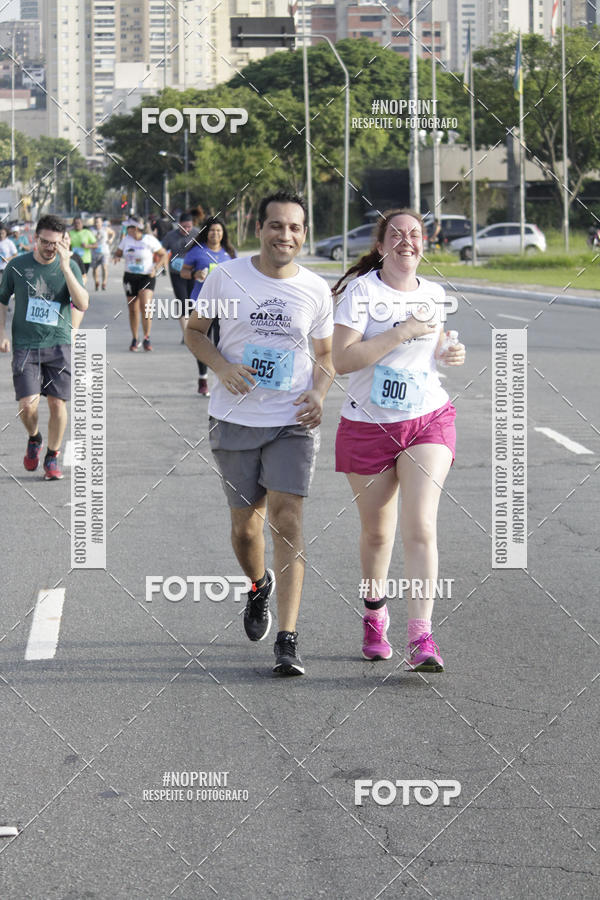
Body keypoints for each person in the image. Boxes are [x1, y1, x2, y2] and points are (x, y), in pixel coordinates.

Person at [185, 190, 334, 676]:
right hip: (234, 418)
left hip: (291, 421)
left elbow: (326, 357)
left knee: (287, 519)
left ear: (303, 234)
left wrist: (319, 393)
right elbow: (194, 331)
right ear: (260, 228)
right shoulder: (226, 277)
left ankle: (288, 639)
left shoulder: (315, 289)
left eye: (294, 227)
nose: (284, 235)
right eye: (276, 226)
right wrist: (223, 366)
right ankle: (258, 584)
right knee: (245, 527)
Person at [331, 209, 466, 672]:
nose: (407, 241)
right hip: (368, 426)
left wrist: (449, 351)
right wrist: (402, 331)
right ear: (382, 243)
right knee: (377, 532)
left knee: (421, 525)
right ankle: (375, 615)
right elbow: (344, 361)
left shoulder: (434, 292)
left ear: (424, 243)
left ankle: (422, 637)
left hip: (427, 418)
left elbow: (437, 352)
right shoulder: (361, 292)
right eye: (397, 234)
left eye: (415, 234)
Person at [0, 214, 89, 480]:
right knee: (27, 405)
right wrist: (1, 333)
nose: (50, 247)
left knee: (57, 405)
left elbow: (82, 304)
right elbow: (2, 300)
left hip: (58, 343)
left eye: (56, 243)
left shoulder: (70, 266)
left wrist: (64, 266)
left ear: (63, 242)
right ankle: (34, 438)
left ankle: (52, 456)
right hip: (25, 345)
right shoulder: (16, 265)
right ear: (35, 239)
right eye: (45, 242)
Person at [181, 216, 236, 396]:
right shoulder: (197, 251)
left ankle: (221, 377)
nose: (215, 234)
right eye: (212, 230)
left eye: (219, 231)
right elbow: (183, 272)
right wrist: (195, 274)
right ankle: (203, 377)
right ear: (206, 232)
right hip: (202, 303)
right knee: (203, 341)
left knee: (222, 343)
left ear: (223, 233)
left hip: (226, 304)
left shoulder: (228, 252)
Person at [113, 216, 167, 351]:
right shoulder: (126, 240)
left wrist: (156, 268)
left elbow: (164, 254)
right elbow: (118, 252)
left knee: (146, 306)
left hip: (146, 277)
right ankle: (135, 338)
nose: (126, 229)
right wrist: (117, 256)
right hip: (130, 277)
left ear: (135, 228)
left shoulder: (149, 240)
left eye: (128, 227)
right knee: (133, 309)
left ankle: (147, 337)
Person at [161, 212, 199, 342]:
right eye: (183, 227)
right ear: (178, 225)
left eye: (189, 227)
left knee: (193, 302)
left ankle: (194, 332)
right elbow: (162, 251)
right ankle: (187, 335)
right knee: (182, 302)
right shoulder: (170, 236)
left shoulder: (197, 234)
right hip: (177, 272)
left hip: (193, 272)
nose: (186, 230)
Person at [69, 216, 97, 285]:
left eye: (78, 223)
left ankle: (81, 291)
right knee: (74, 277)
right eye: (75, 223)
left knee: (82, 277)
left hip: (85, 260)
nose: (77, 224)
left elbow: (95, 245)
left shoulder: (87, 232)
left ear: (82, 224)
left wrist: (87, 246)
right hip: (73, 260)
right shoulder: (70, 233)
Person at [91, 215, 115, 290]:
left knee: (104, 267)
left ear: (101, 222)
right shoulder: (91, 230)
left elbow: (113, 233)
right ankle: (96, 281)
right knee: (95, 269)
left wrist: (111, 239)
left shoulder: (105, 229)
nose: (96, 223)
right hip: (94, 252)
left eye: (98, 222)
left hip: (105, 251)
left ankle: (104, 283)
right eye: (95, 222)